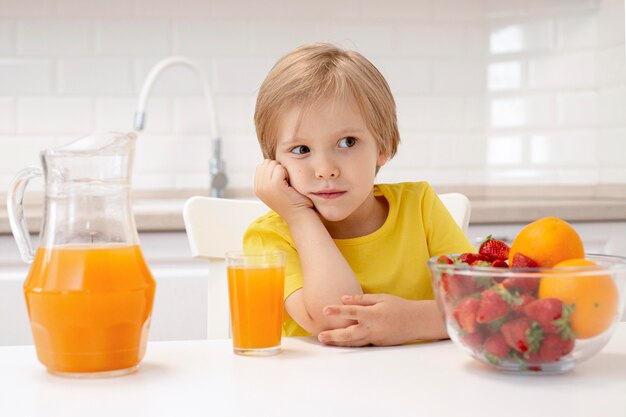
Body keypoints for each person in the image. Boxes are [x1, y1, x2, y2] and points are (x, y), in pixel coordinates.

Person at [244, 43, 475, 347]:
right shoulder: (270, 237)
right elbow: (337, 320)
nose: (325, 169)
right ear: (274, 162)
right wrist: (299, 217)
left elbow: (481, 307)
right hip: (311, 390)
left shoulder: (419, 205)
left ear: (383, 146)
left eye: (347, 142)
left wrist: (411, 321)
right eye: (301, 150)